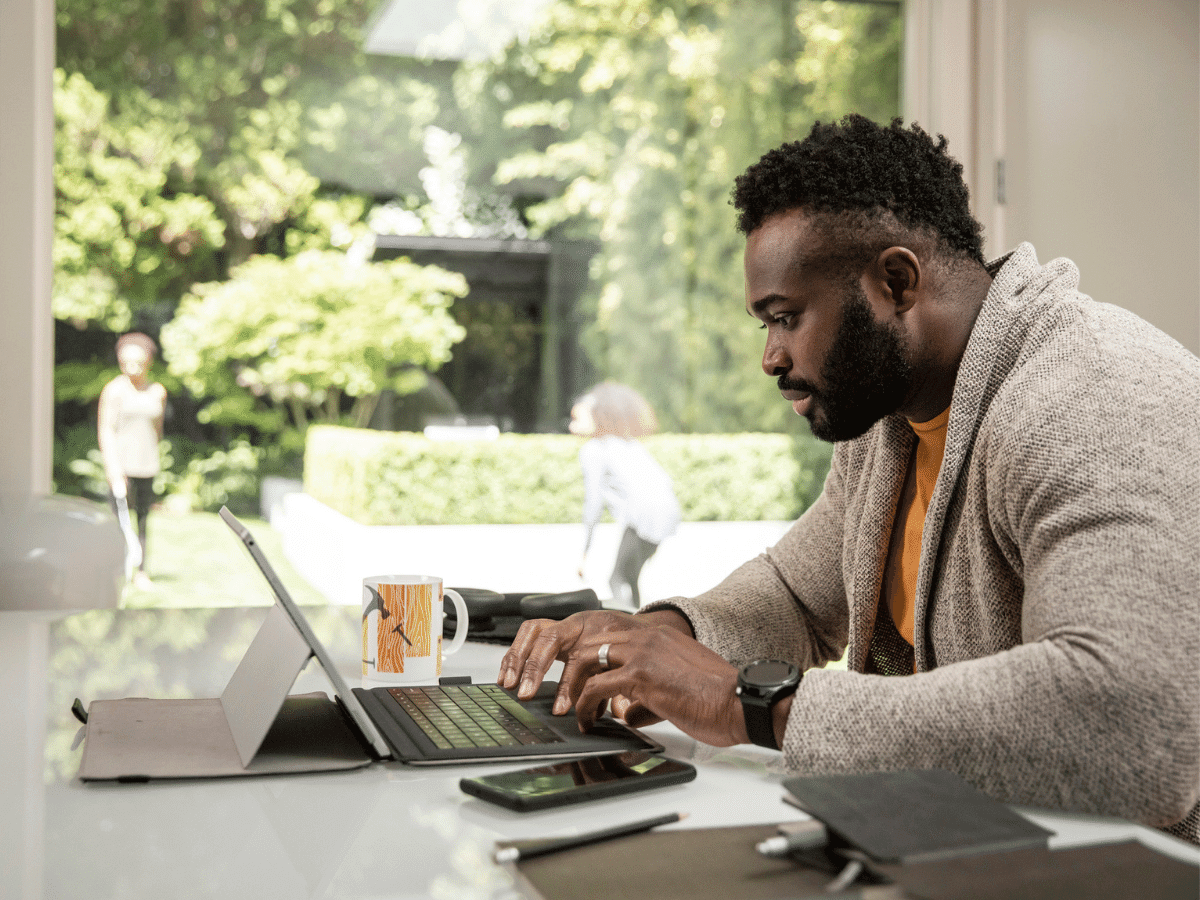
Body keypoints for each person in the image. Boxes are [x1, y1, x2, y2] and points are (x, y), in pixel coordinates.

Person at [499, 115, 1200, 844]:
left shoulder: (1096, 398)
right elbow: (799, 595)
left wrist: (747, 703)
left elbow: (1137, 730)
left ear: (895, 281)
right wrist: (652, 641)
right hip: (980, 851)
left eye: (787, 317)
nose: (770, 357)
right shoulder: (892, 412)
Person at [569, 382, 681, 608]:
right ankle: (640, 619)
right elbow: (663, 482)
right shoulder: (627, 445)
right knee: (629, 577)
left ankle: (627, 629)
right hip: (666, 515)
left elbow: (593, 504)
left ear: (598, 417)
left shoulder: (593, 450)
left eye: (577, 419)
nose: (572, 427)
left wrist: (584, 553)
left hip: (644, 519)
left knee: (617, 578)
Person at [98, 332, 167, 589]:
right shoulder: (114, 390)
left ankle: (141, 571)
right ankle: (116, 570)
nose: (132, 367)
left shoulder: (157, 391)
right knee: (119, 523)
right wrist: (113, 468)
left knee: (142, 520)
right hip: (121, 467)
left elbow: (157, 429)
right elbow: (106, 430)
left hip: (146, 465)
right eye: (126, 362)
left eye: (137, 362)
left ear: (148, 361)